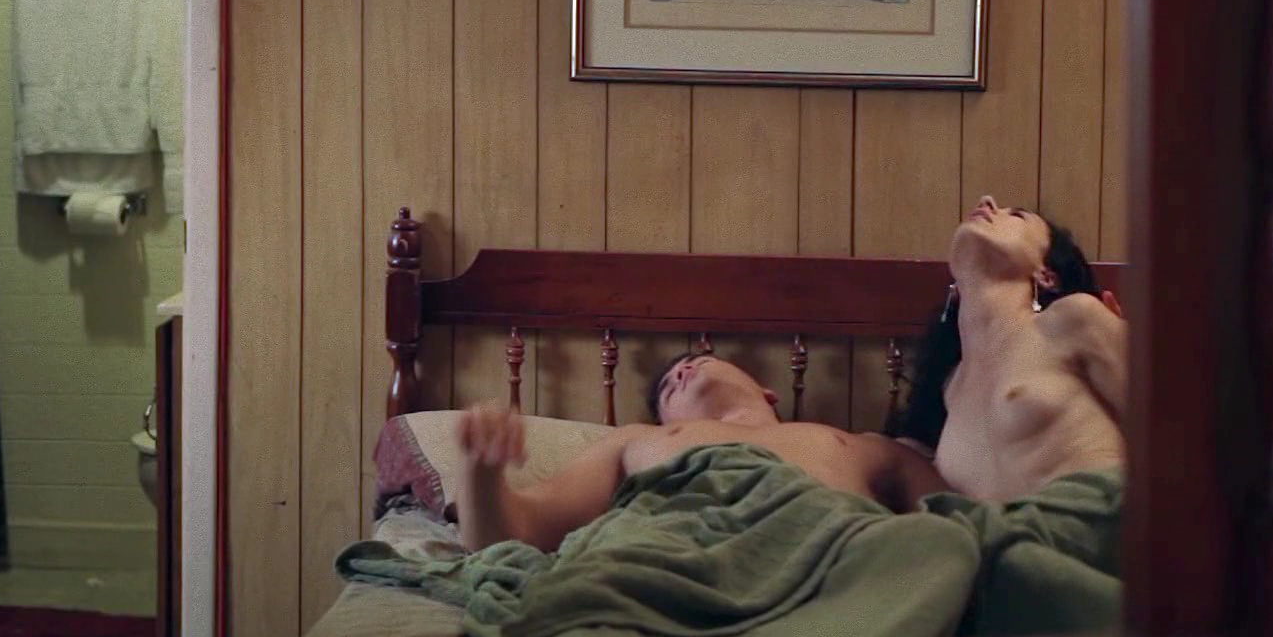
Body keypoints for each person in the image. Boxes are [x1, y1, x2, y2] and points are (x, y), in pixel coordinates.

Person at [456, 353, 948, 552]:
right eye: (667, 388)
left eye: (696, 360)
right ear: (668, 423)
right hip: (673, 559)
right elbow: (512, 534)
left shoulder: (859, 444)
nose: (681, 371)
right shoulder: (639, 441)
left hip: (831, 557)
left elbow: (962, 521)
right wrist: (480, 471)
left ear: (768, 392)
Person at [889, 195, 1127, 502]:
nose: (986, 201)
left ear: (1046, 275)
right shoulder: (950, 387)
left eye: (1017, 215)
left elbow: (1169, 421)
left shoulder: (1073, 320)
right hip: (988, 528)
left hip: (1086, 516)